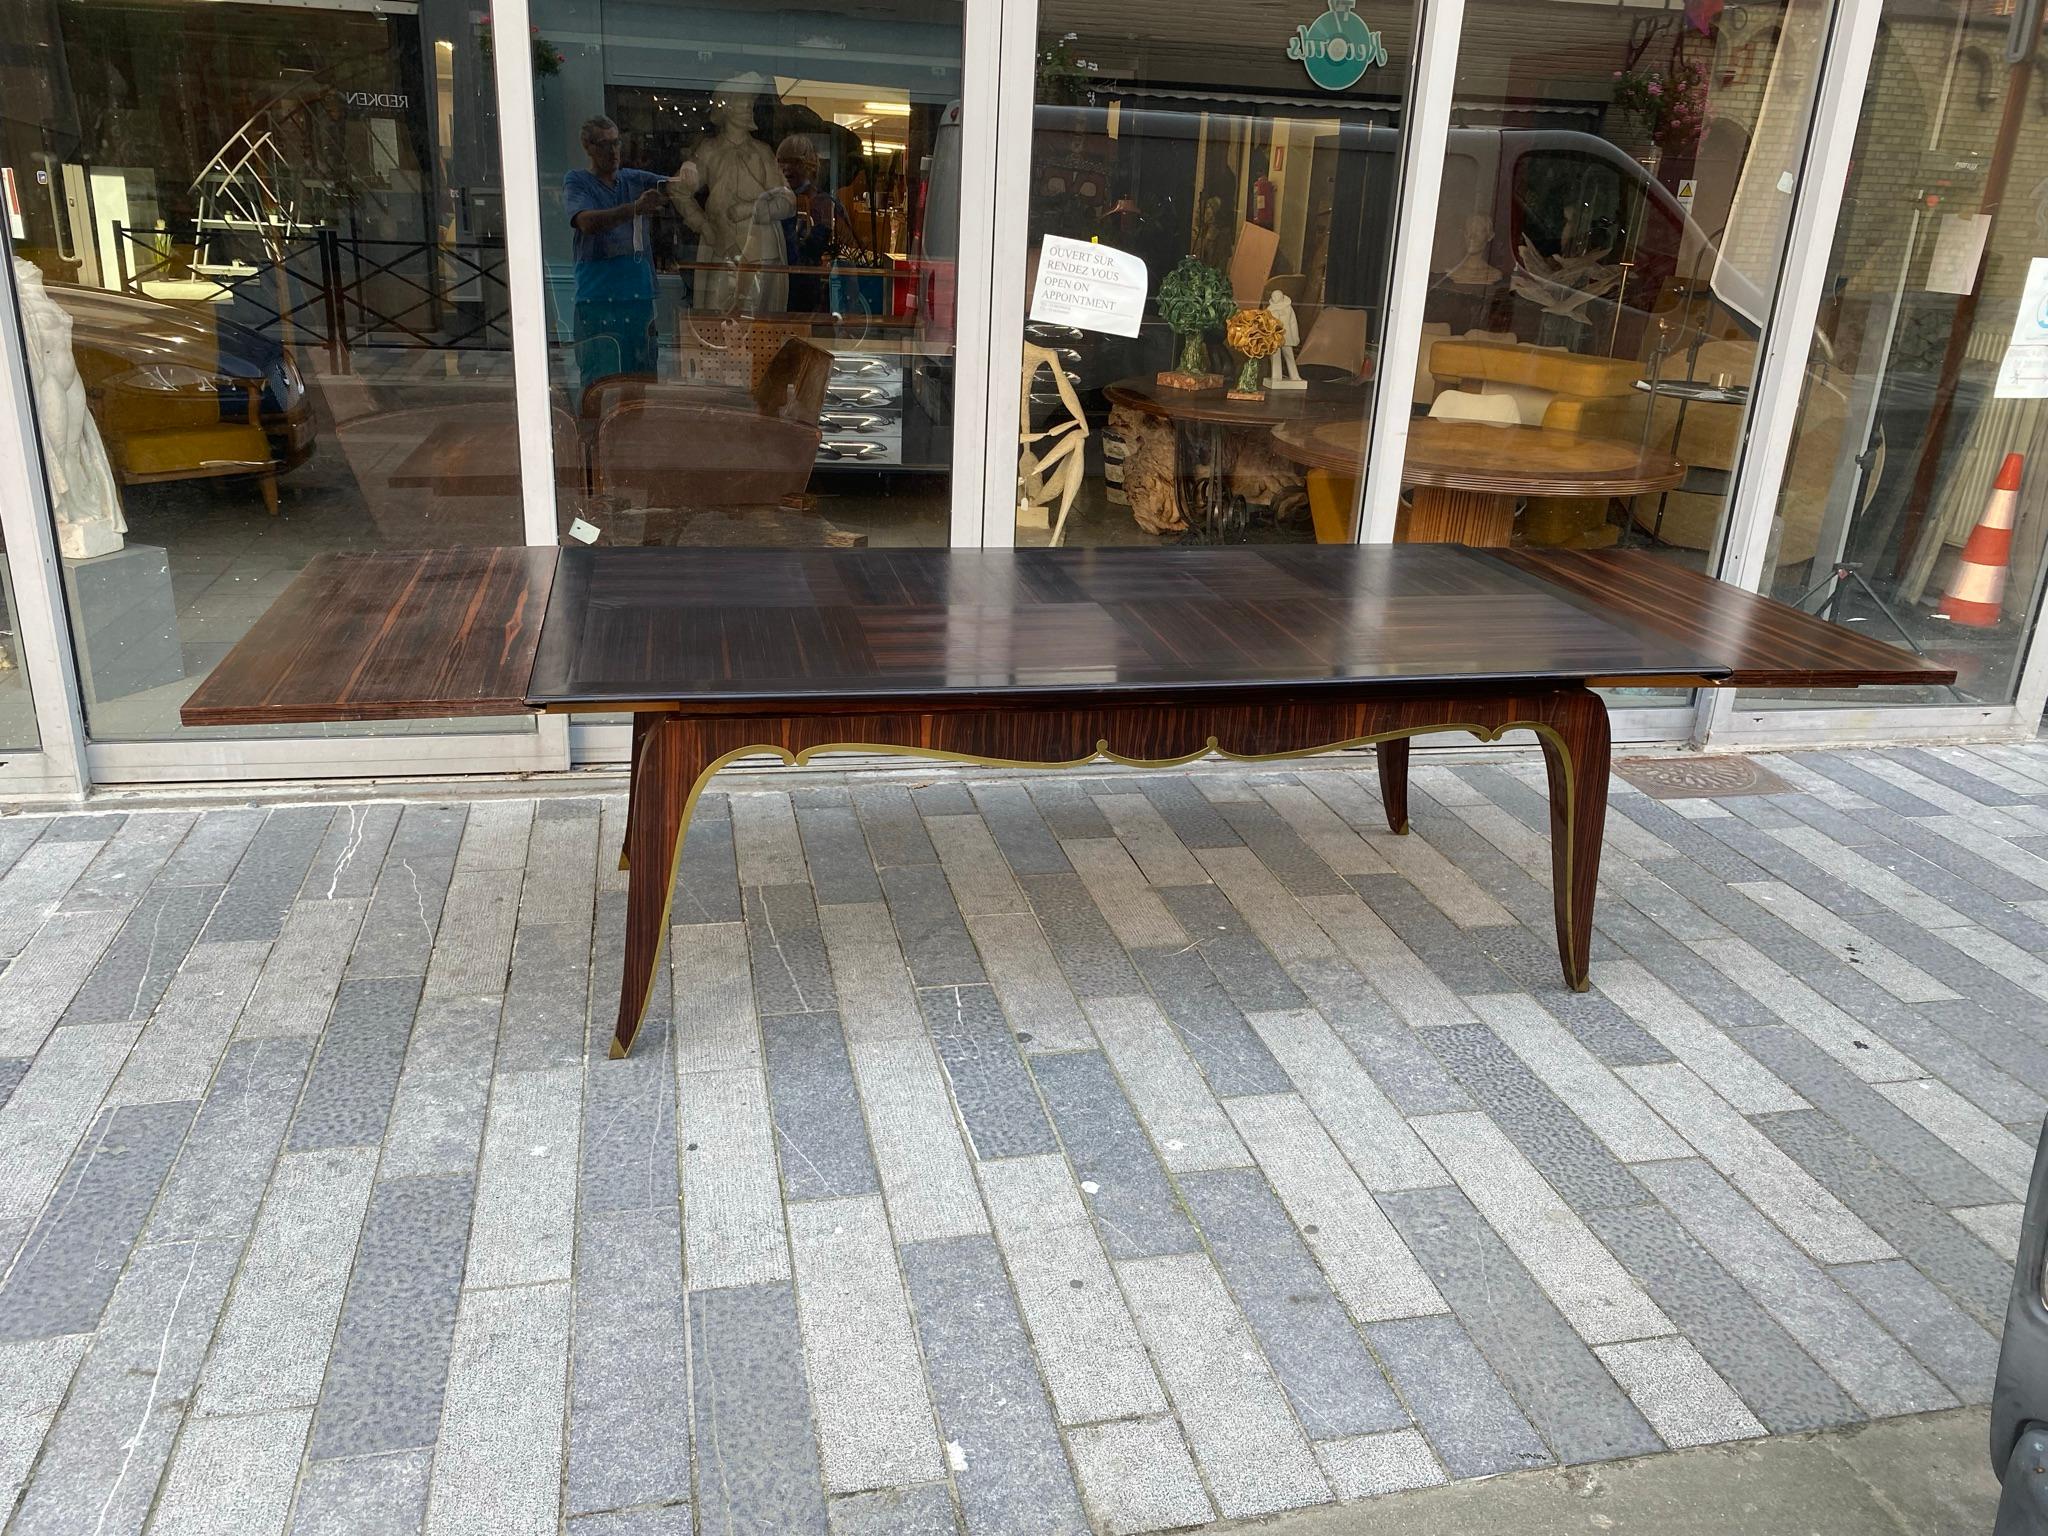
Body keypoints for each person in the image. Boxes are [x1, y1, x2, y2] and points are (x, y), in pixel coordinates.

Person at [564, 115, 690, 391]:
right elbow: (585, 221)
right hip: (598, 299)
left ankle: (632, 431)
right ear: (588, 146)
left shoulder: (632, 179)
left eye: (617, 142)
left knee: (640, 377)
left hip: (638, 298)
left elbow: (672, 185)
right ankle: (594, 432)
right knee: (598, 378)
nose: (614, 150)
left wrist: (690, 173)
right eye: (605, 144)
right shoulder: (578, 181)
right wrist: (634, 209)